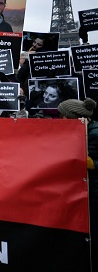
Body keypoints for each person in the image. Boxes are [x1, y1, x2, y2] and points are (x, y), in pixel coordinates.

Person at [57, 98, 98, 269]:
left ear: (73, 118)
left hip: (93, 190)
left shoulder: (94, 133)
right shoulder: (77, 130)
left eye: (63, 117)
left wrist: (92, 163)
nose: (61, 120)